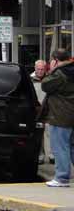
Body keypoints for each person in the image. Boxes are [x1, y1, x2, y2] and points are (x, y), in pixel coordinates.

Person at [41, 48, 74, 188]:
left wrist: (52, 70)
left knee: (60, 147)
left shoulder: (60, 74)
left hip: (60, 115)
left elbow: (45, 85)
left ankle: (62, 177)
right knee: (71, 147)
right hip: (71, 114)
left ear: (55, 60)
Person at [32, 60, 52, 164]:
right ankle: (40, 155)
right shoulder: (31, 80)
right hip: (36, 111)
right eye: (38, 69)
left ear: (45, 69)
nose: (40, 71)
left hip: (48, 111)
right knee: (38, 135)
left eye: (42, 69)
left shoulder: (49, 80)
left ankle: (51, 155)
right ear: (35, 68)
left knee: (49, 133)